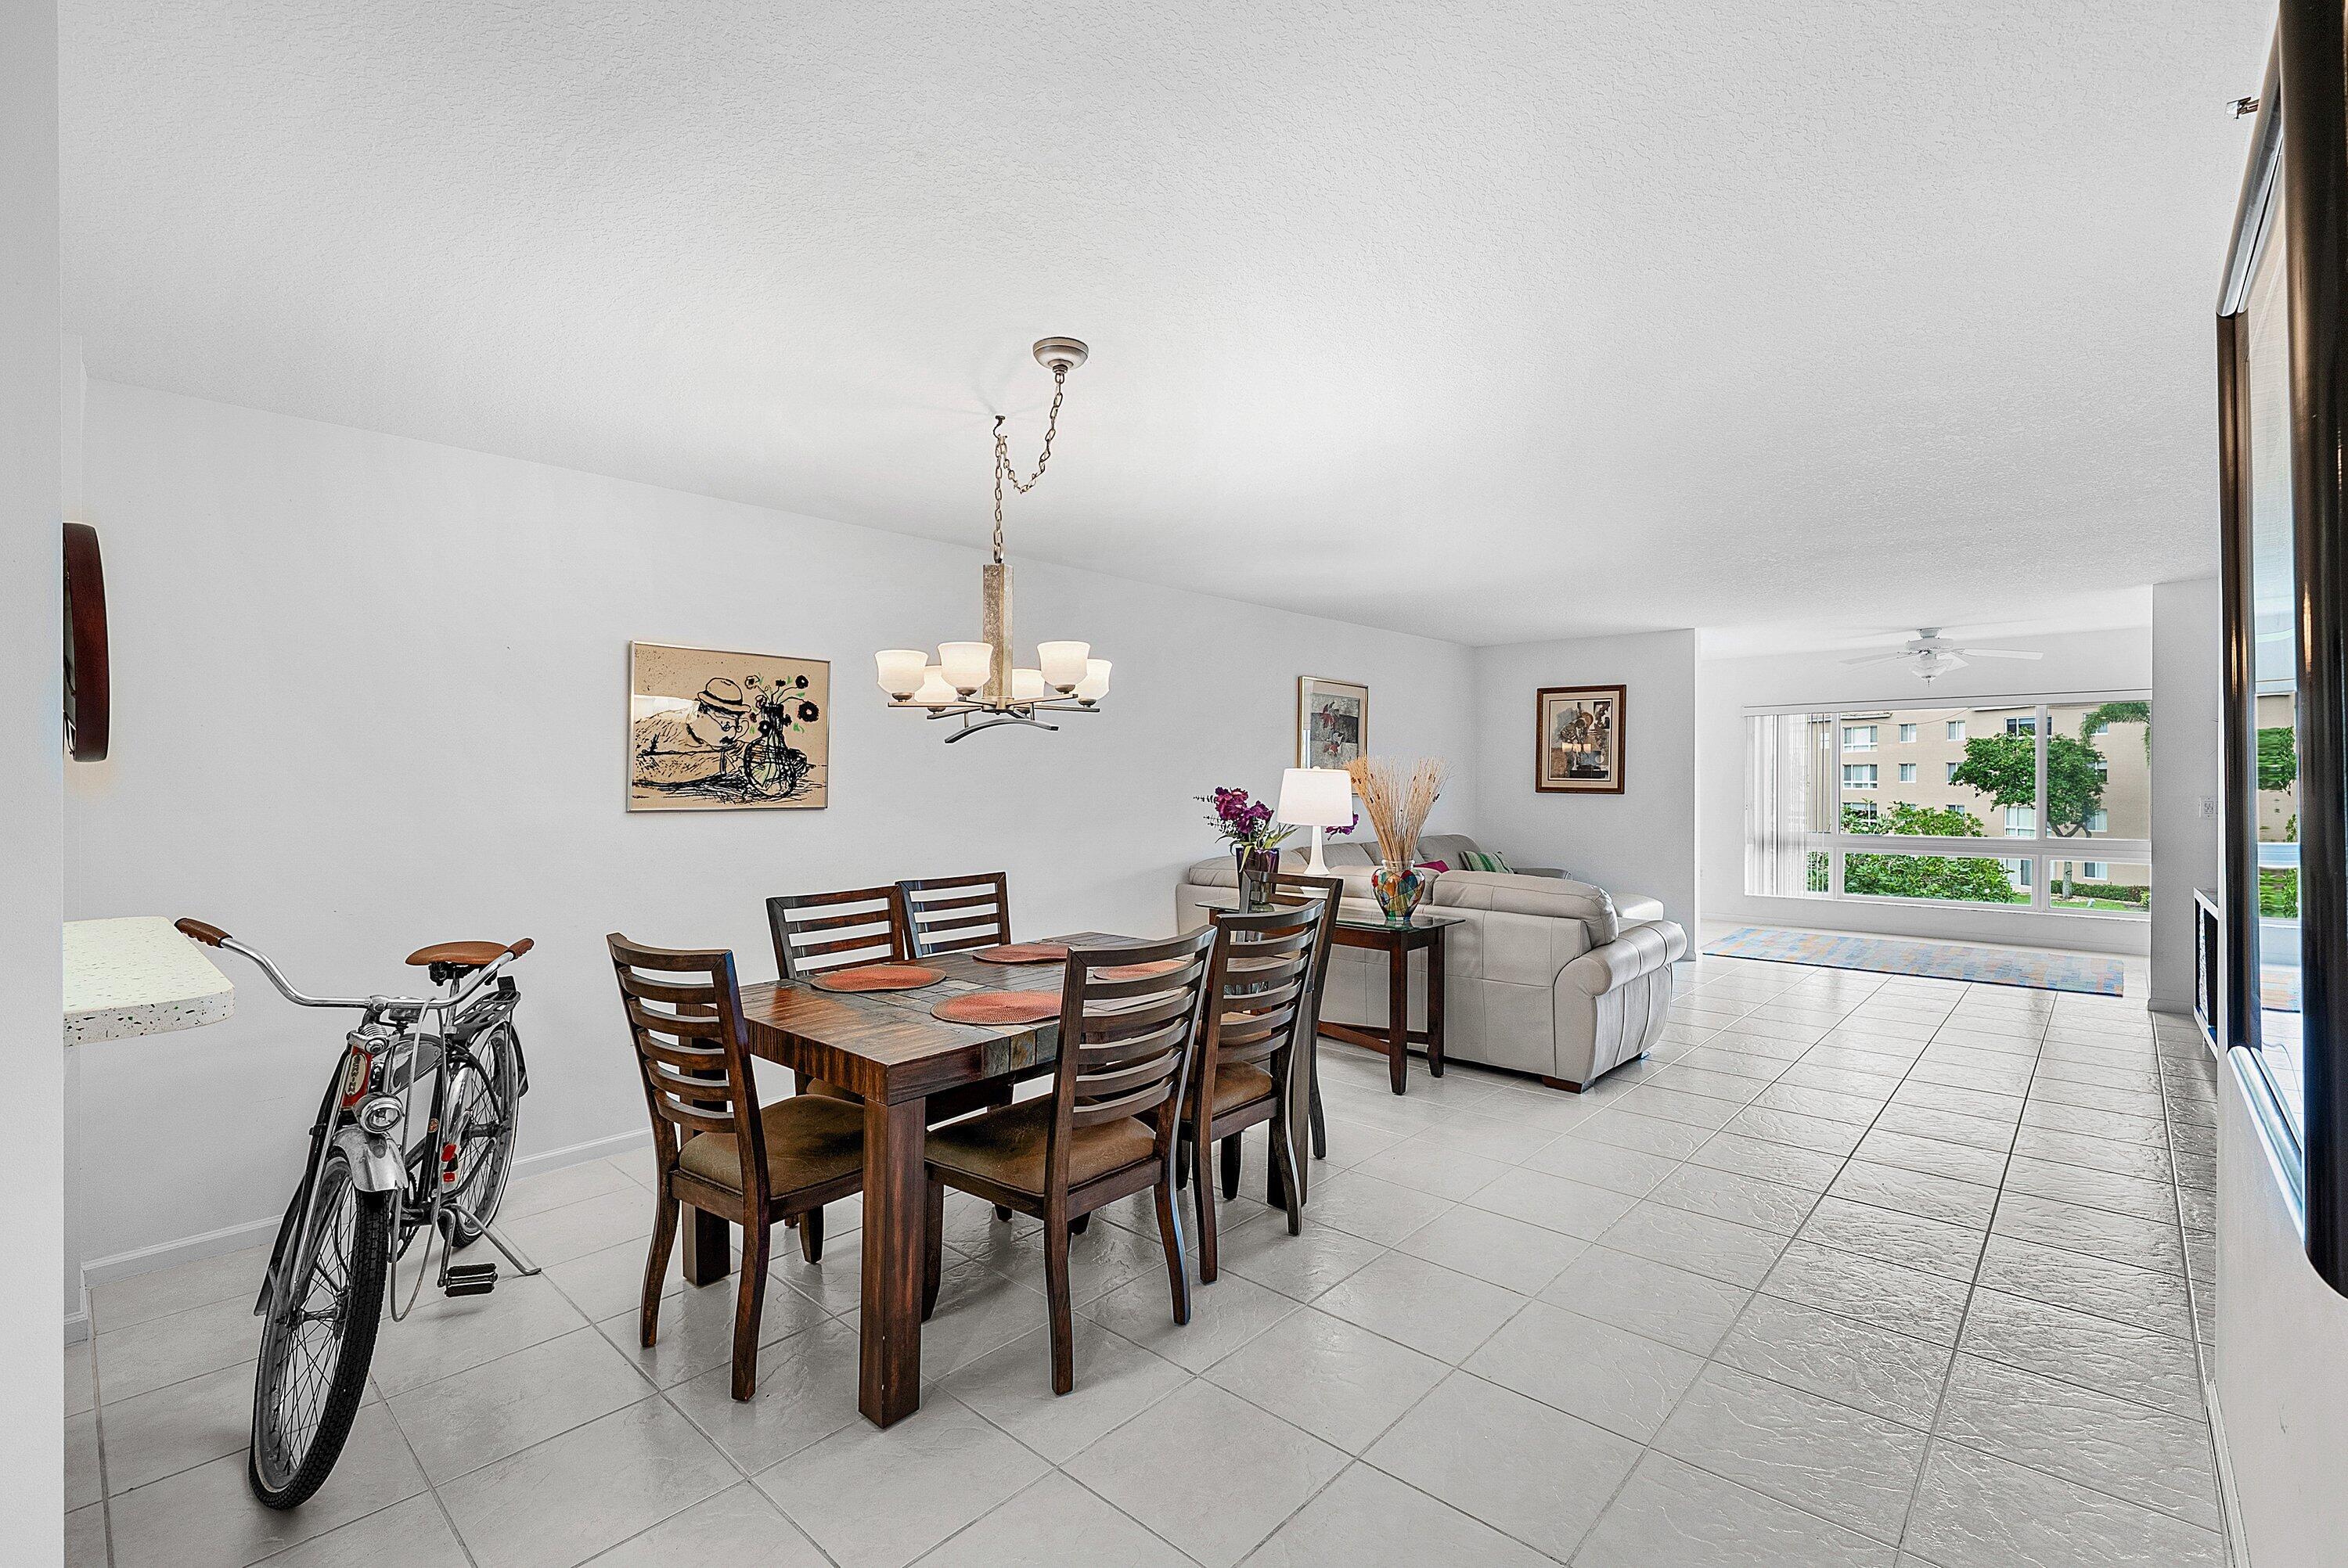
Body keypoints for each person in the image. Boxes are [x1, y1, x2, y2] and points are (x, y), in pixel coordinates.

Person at [632, 678, 750, 789]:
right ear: (701, 713)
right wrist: (718, 763)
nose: (731, 733)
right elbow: (635, 768)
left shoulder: (739, 749)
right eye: (725, 724)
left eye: (734, 723)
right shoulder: (661, 726)